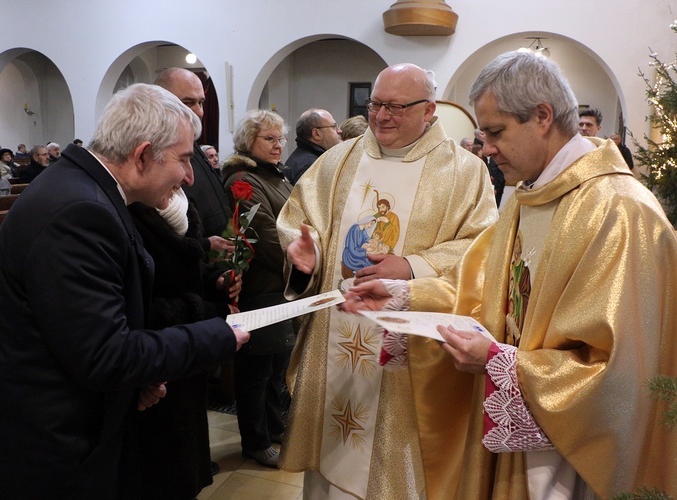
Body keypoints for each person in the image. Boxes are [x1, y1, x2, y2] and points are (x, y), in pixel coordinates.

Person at [342, 50, 677, 499]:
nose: (486, 149)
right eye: (483, 134)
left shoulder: (619, 211)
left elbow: (623, 377)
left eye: (496, 132)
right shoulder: (531, 196)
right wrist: (406, 296)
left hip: (576, 455)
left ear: (542, 116)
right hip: (522, 439)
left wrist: (505, 365)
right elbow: (479, 290)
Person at [0, 83, 250, 499]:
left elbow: (80, 331)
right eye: (184, 160)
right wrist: (219, 334)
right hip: (48, 445)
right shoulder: (80, 212)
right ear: (142, 155)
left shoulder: (88, 191)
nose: (189, 177)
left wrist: (136, 380)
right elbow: (103, 355)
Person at [276, 63, 498, 498]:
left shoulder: (464, 171)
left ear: (429, 109)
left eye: (396, 106)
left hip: (404, 349)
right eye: (375, 104)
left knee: (391, 471)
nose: (381, 116)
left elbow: (481, 249)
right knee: (328, 468)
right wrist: (309, 255)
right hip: (335, 333)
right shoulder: (339, 160)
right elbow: (304, 221)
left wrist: (412, 266)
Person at [128, 186, 242, 499]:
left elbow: (189, 269)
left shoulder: (177, 205)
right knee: (162, 468)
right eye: (182, 160)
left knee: (185, 454)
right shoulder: (129, 214)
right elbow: (140, 304)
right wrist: (208, 312)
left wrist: (217, 279)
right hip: (157, 357)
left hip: (187, 348)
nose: (190, 176)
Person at [222, 109, 295, 468]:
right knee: (256, 370)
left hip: (283, 284)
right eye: (269, 138)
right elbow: (265, 235)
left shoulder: (275, 176)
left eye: (280, 138)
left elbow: (298, 218)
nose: (278, 145)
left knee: (277, 366)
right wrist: (303, 257)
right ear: (248, 141)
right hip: (260, 285)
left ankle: (275, 427)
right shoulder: (243, 179)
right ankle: (255, 439)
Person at [155, 68, 234, 247]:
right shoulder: (155, 155)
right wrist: (204, 247)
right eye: (188, 103)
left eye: (201, 103)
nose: (199, 112)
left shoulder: (194, 145)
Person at [284, 108, 342, 185]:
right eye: (334, 126)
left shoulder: (305, 157)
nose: (340, 131)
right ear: (316, 134)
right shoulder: (310, 166)